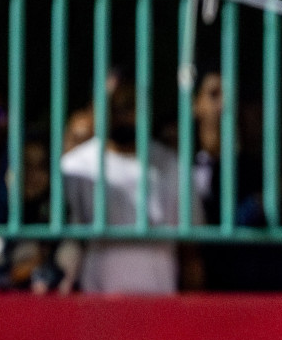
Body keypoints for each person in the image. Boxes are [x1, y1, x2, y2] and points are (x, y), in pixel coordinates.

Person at [60, 84, 204, 293]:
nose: (121, 112)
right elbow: (66, 248)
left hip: (159, 309)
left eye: (128, 104)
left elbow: (190, 253)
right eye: (112, 104)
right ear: (93, 108)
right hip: (95, 309)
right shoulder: (74, 168)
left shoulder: (173, 165)